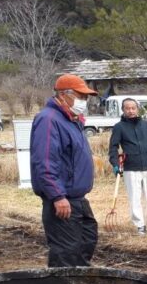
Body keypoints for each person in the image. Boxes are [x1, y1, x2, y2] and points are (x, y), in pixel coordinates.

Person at [30, 74, 98, 267]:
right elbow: (44, 161)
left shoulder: (72, 120)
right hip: (62, 199)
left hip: (78, 198)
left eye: (86, 97)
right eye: (80, 96)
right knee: (66, 253)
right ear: (63, 94)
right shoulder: (49, 120)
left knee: (87, 241)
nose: (84, 101)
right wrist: (57, 196)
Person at [108, 97, 147, 235]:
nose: (130, 111)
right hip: (131, 167)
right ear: (123, 110)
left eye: (133, 108)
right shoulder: (119, 127)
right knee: (135, 198)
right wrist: (115, 164)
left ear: (137, 109)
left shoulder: (146, 124)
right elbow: (113, 147)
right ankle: (140, 225)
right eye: (127, 108)